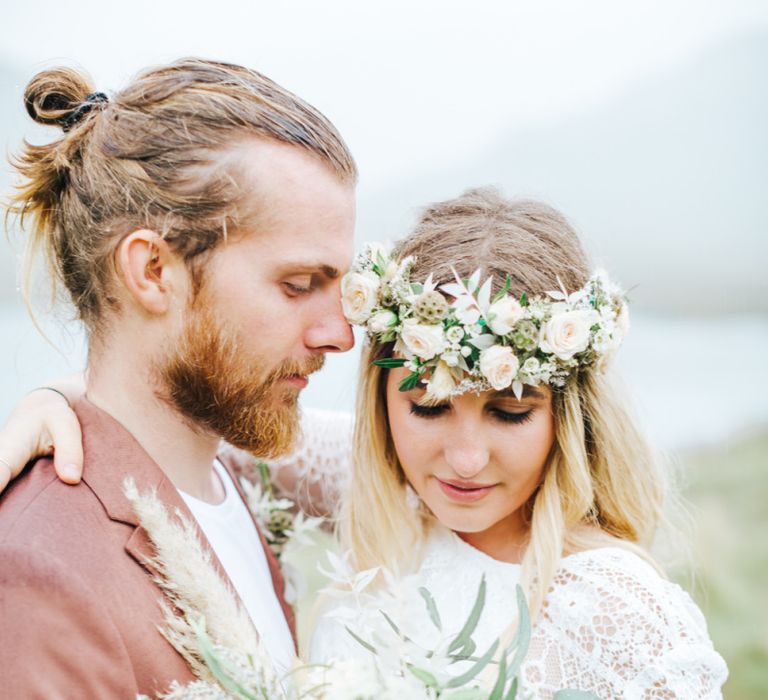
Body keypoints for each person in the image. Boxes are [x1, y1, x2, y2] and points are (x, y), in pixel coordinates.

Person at [0, 189, 727, 693]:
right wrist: (59, 400)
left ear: (566, 420)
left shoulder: (617, 609)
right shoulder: (375, 488)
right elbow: (180, 416)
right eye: (427, 406)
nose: (465, 459)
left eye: (509, 414)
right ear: (382, 401)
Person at [0, 58, 356, 696]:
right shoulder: (38, 572)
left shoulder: (235, 478)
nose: (340, 333)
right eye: (298, 285)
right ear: (153, 272)